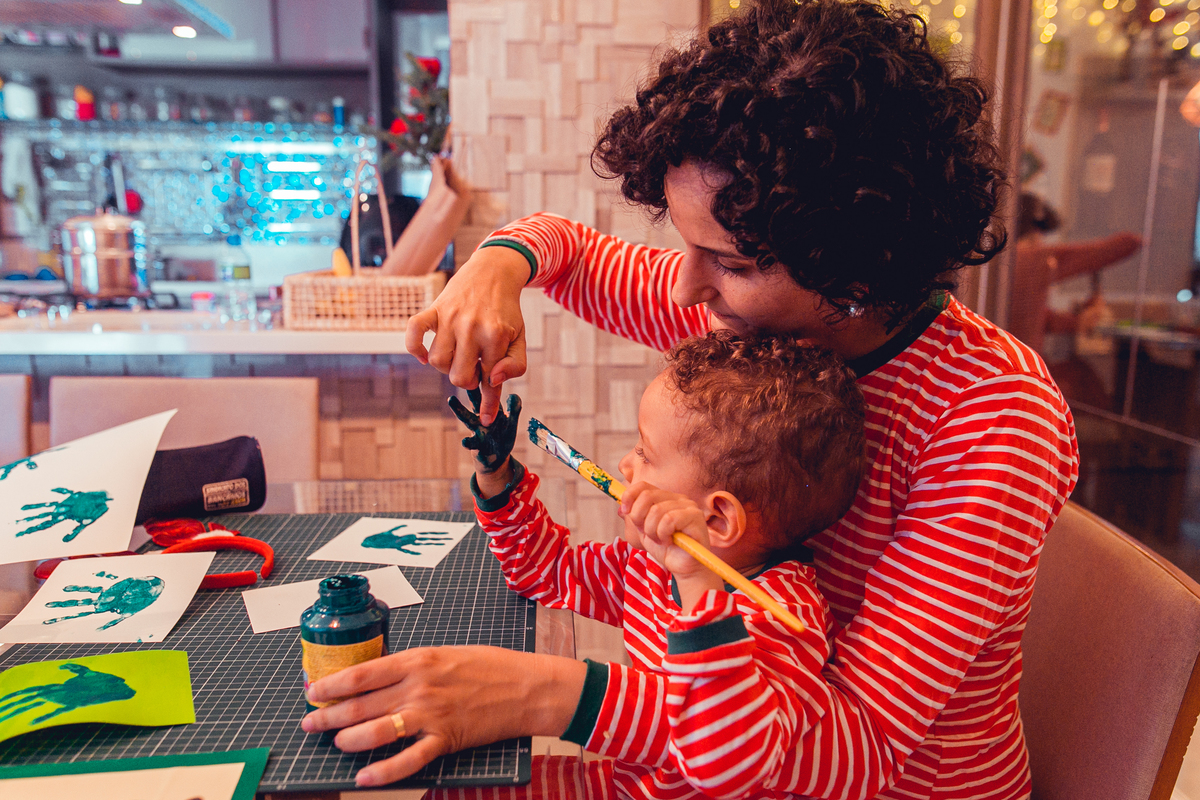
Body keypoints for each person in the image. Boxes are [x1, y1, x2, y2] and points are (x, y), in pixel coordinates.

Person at [301, 2, 1079, 797]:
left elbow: (855, 752)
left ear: (859, 262)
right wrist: (496, 268)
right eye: (684, 241)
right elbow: (563, 250)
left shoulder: (992, 417)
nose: (684, 287)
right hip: (695, 761)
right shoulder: (755, 325)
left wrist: (551, 695)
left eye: (729, 261)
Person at [441, 331, 865, 798]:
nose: (625, 465)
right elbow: (545, 571)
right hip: (633, 780)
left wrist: (696, 581)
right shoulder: (646, 570)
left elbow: (727, 763)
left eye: (645, 453)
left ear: (717, 518)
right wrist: (498, 476)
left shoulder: (783, 619)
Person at [1009, 190, 1141, 353]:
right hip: (1018, 365)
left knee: (1077, 372)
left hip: (1013, 361)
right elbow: (1123, 245)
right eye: (1041, 234)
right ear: (1034, 230)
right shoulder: (1031, 259)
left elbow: (1040, 320)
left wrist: (1078, 321)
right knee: (1079, 374)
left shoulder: (1008, 262)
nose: (1041, 242)